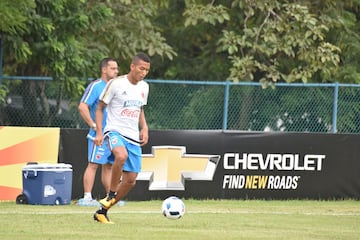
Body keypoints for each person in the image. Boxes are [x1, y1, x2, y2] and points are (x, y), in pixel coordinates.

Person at [93, 52, 150, 223]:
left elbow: (140, 108)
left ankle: (102, 211)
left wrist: (144, 127)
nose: (144, 72)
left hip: (133, 136)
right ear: (132, 66)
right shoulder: (116, 84)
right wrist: (98, 132)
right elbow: (100, 107)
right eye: (141, 68)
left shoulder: (144, 87)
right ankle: (111, 193)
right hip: (114, 131)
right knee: (121, 155)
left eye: (147, 70)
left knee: (131, 180)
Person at [77, 58, 119, 206]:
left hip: (112, 133)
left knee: (108, 165)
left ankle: (109, 198)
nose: (116, 71)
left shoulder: (115, 87)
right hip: (99, 134)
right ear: (104, 70)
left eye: (116, 69)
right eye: (113, 68)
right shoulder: (96, 86)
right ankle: (87, 197)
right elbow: (83, 106)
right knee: (94, 163)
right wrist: (94, 126)